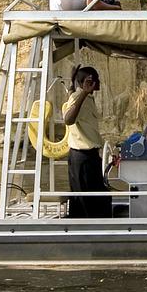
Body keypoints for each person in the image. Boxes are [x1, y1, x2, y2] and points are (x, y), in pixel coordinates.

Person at [61, 65, 112, 219]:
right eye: (95, 80)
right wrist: (83, 91)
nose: (99, 82)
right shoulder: (80, 97)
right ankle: (87, 228)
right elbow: (68, 119)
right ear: (87, 82)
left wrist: (72, 82)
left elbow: (71, 95)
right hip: (82, 156)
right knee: (86, 198)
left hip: (90, 155)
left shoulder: (83, 97)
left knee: (99, 194)